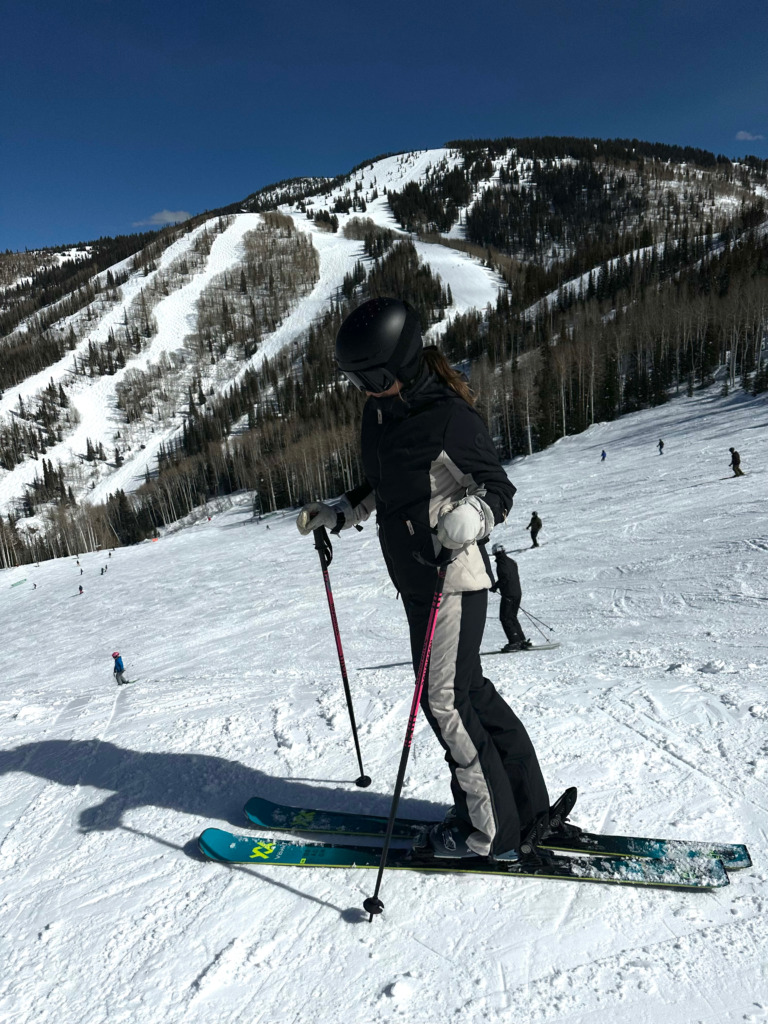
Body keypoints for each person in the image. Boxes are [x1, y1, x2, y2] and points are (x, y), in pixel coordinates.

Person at [296, 297, 550, 861]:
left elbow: (498, 488)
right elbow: (383, 484)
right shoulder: (380, 412)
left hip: (452, 581)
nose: (365, 387)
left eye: (374, 376)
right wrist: (341, 511)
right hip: (415, 582)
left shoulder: (449, 415)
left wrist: (475, 515)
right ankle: (524, 808)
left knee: (445, 703)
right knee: (469, 693)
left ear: (402, 363)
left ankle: (488, 834)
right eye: (357, 379)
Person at [490, 544, 530, 652]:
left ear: (495, 553)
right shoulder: (511, 561)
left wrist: (495, 587)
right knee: (512, 617)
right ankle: (521, 639)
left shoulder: (502, 562)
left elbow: (505, 577)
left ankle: (514, 641)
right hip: (516, 593)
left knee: (505, 618)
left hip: (509, 594)